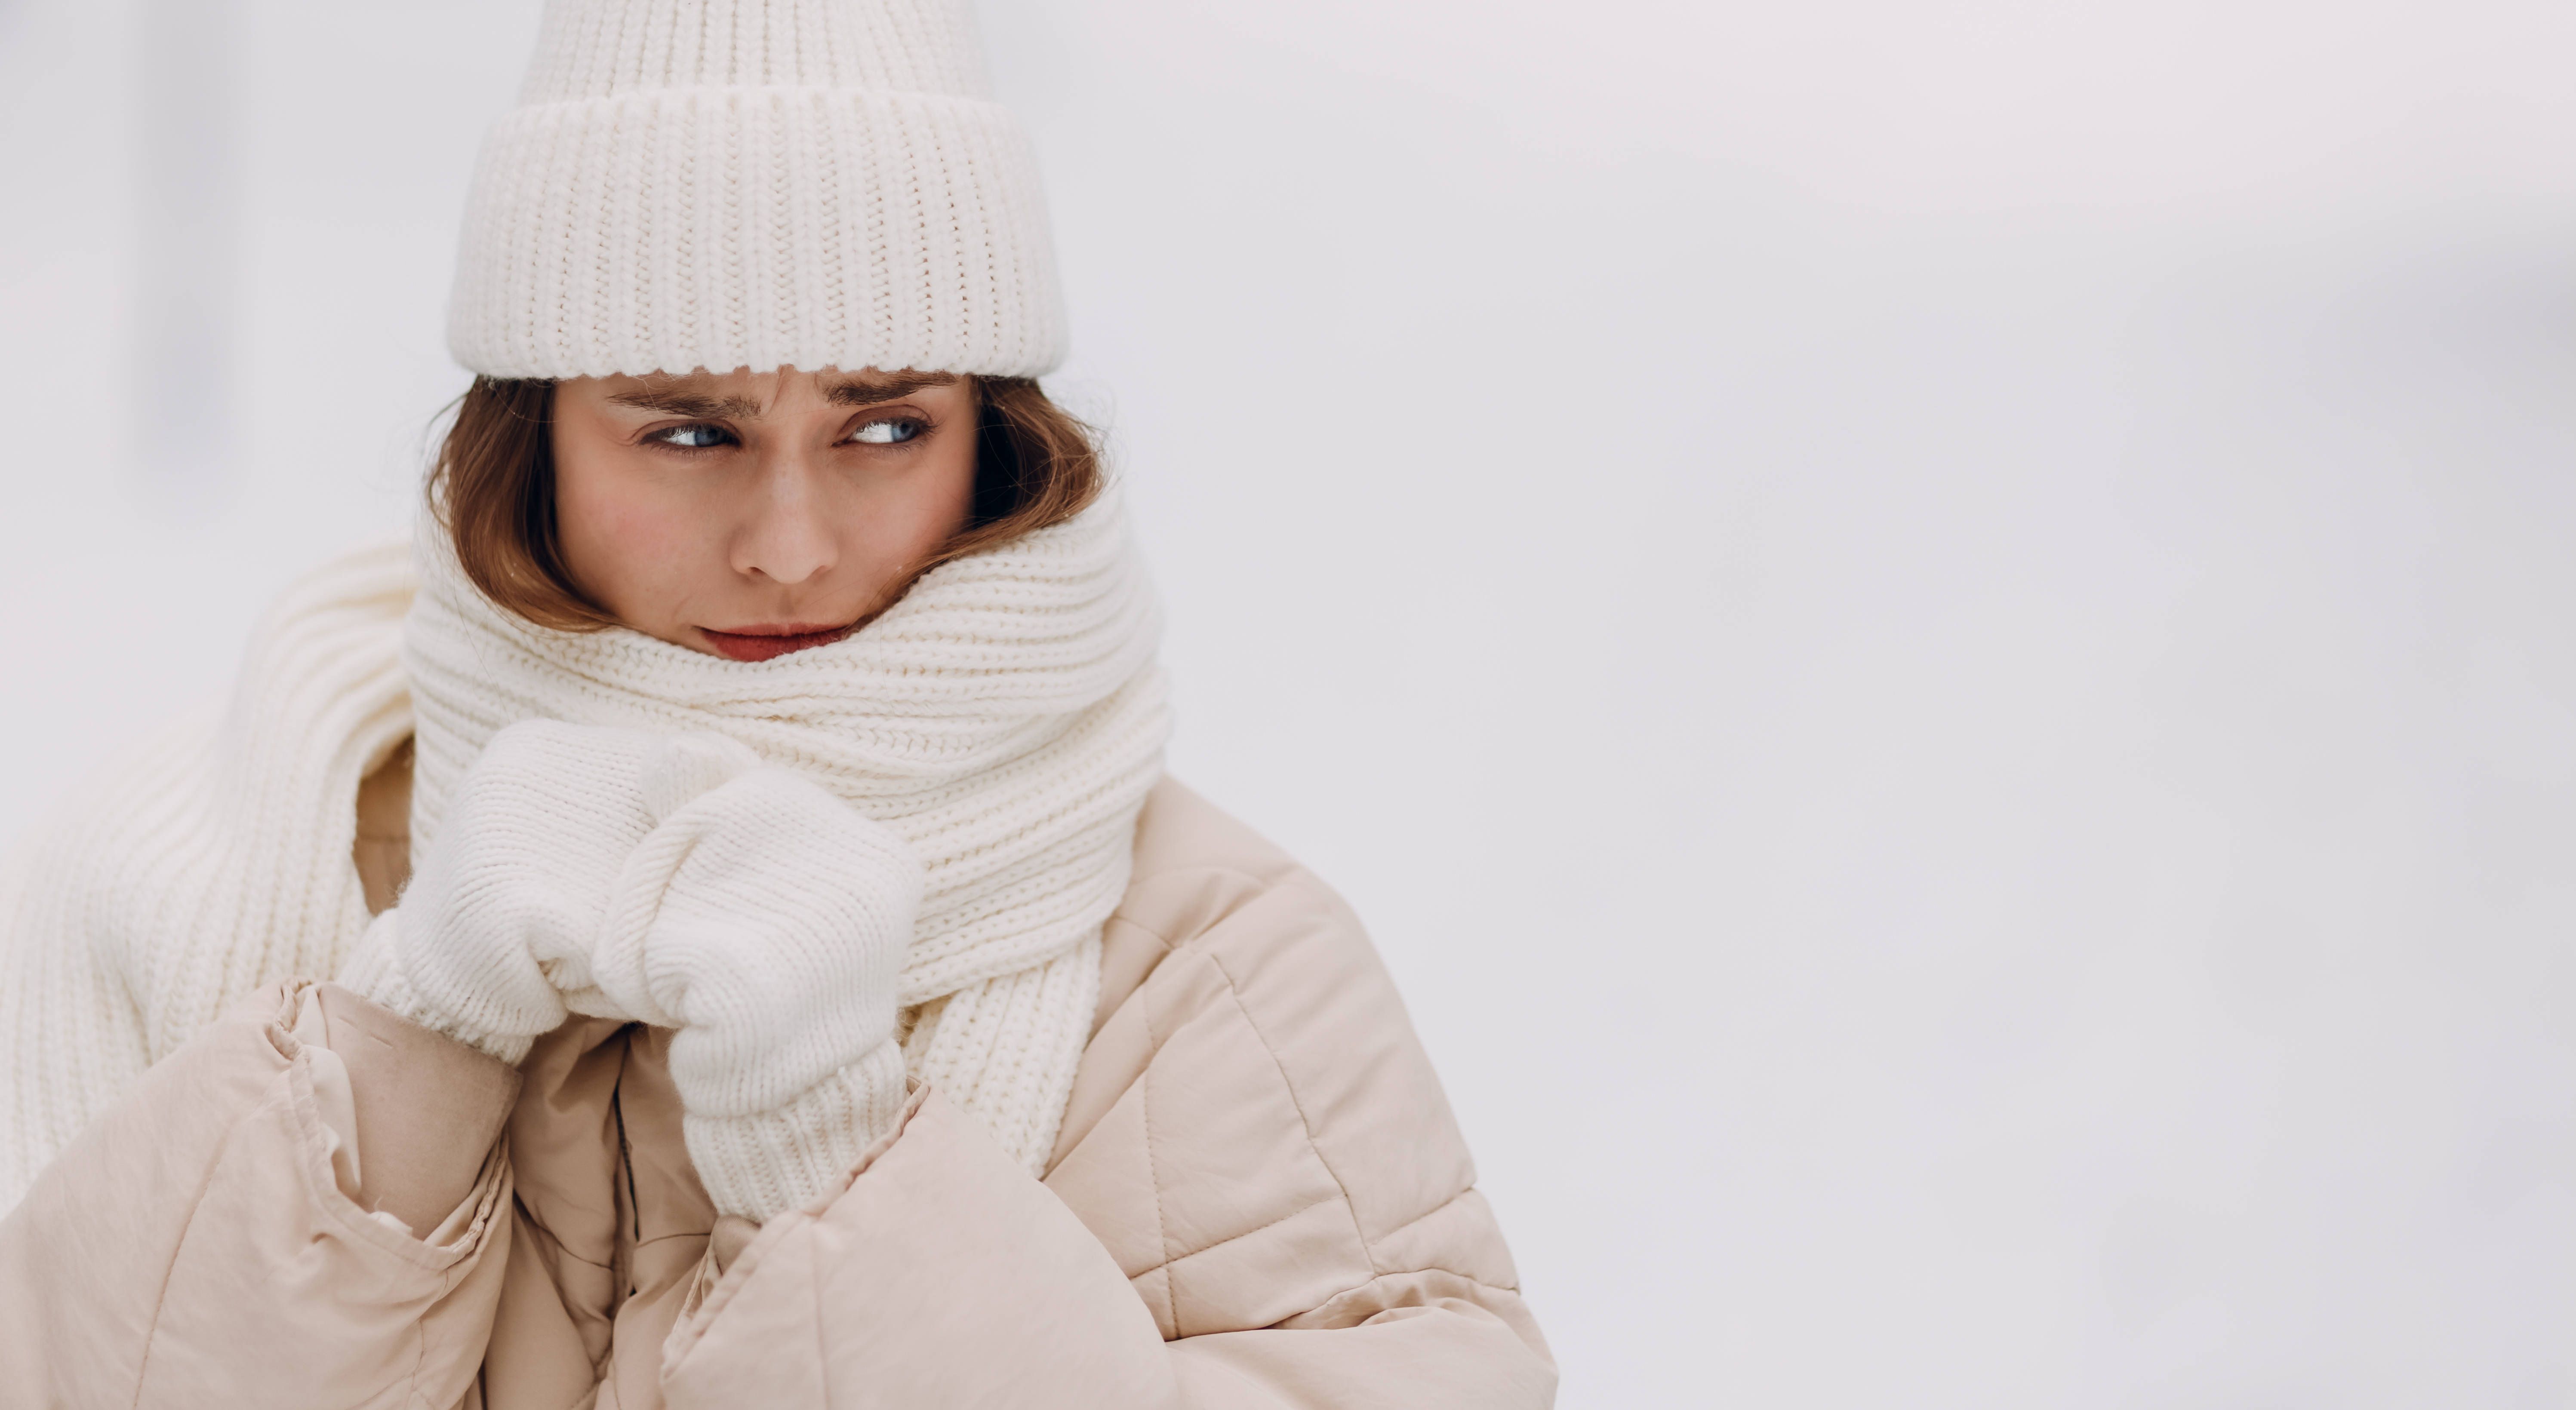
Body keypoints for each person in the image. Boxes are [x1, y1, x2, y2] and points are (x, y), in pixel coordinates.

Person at [0, 1, 1554, 1405]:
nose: (790, 546)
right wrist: (415, 1035)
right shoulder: (215, 878)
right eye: (688, 432)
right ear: (529, 439)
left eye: (883, 427)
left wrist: (836, 1165)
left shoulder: (1201, 964)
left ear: (994, 437)